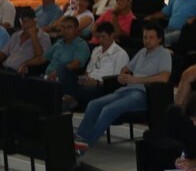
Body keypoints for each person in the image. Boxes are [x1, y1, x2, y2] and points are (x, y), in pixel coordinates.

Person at [74, 23, 172, 152]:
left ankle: (85, 145)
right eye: (145, 37)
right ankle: (79, 139)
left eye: (151, 37)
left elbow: (164, 77)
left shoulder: (164, 54)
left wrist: (137, 79)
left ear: (159, 39)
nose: (147, 40)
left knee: (108, 110)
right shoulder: (142, 52)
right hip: (127, 90)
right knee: (94, 104)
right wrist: (122, 76)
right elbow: (125, 69)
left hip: (143, 94)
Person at [61, 22, 130, 110]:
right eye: (98, 37)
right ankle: (71, 97)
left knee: (76, 89)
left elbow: (116, 82)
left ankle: (70, 98)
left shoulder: (121, 54)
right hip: (89, 82)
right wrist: (84, 79)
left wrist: (96, 83)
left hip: (102, 87)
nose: (100, 40)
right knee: (63, 70)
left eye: (103, 37)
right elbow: (88, 71)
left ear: (112, 35)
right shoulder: (96, 50)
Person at [29, 16, 90, 84]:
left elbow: (76, 64)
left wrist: (58, 72)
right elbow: (42, 58)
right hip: (47, 76)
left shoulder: (81, 45)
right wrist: (25, 64)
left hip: (63, 80)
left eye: (69, 27)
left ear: (76, 29)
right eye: (63, 27)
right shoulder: (59, 43)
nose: (65, 30)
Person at [0, 8, 51, 75]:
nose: (25, 25)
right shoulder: (16, 35)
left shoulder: (43, 37)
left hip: (23, 73)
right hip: (5, 70)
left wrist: (33, 36)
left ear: (35, 21)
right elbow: (2, 52)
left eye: (27, 21)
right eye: (22, 22)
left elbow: (41, 58)